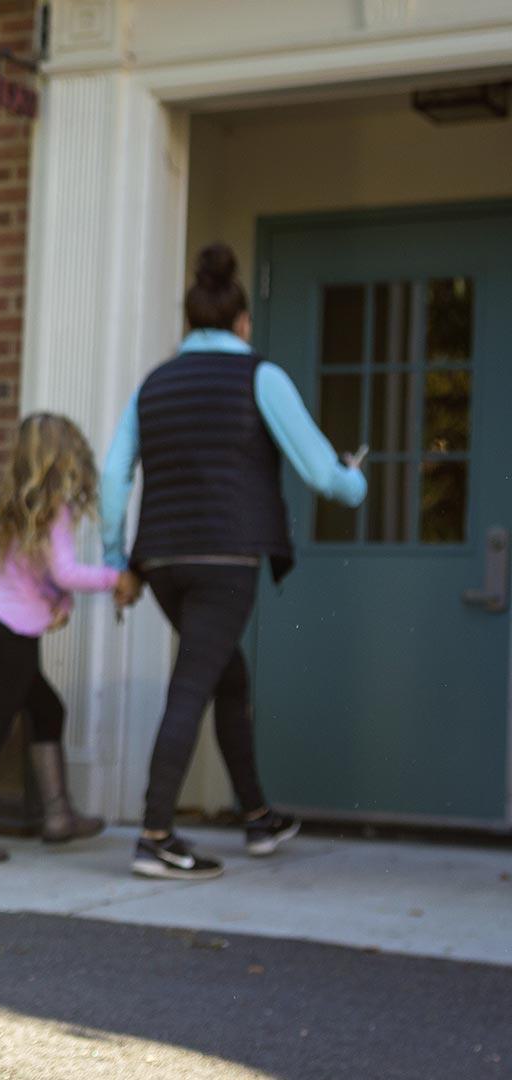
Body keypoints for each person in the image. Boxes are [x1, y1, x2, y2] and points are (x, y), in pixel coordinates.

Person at [102, 242, 367, 881]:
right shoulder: (260, 375)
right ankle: (156, 836)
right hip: (226, 560)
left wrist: (119, 561)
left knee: (227, 677)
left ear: (189, 324)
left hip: (162, 560)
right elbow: (320, 474)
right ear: (243, 322)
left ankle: (258, 818)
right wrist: (355, 482)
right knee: (195, 682)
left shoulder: (153, 383)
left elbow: (114, 475)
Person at [0, 414, 120, 861]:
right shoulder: (53, 508)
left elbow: (39, 577)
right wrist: (118, 578)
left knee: (48, 708)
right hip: (12, 635)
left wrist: (61, 604)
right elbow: (65, 572)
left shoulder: (23, 507)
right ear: (65, 456)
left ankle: (58, 816)